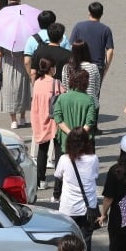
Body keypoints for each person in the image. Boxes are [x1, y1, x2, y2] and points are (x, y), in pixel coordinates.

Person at [53, 127, 99, 251]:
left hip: (68, 207)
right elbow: (95, 176)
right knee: (86, 239)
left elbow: (58, 177)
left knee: (68, 240)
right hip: (88, 207)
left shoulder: (64, 159)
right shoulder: (93, 159)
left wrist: (56, 194)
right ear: (86, 142)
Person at [52, 70, 95, 204]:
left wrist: (70, 132)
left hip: (64, 140)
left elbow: (58, 118)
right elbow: (90, 121)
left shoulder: (62, 98)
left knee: (61, 168)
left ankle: (56, 194)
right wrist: (79, 134)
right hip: (84, 142)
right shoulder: (89, 100)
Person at [70, 1, 114, 133]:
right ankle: (92, 126)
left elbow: (71, 44)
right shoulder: (105, 29)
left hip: (79, 64)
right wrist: (106, 66)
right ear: (101, 14)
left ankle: (77, 122)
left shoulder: (78, 26)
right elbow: (110, 50)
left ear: (89, 12)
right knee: (94, 95)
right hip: (97, 65)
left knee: (78, 91)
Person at [0, 0, 31, 129]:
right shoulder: (26, 13)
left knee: (9, 89)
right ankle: (23, 117)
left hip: (9, 58)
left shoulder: (3, 15)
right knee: (23, 87)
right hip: (23, 56)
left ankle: (13, 120)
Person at [31, 56, 64, 189]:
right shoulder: (56, 83)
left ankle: (41, 180)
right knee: (58, 152)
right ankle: (58, 183)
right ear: (51, 69)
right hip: (55, 120)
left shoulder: (37, 82)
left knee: (42, 151)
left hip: (41, 119)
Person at [24, 10, 70, 76]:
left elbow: (27, 61)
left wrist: (32, 77)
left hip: (40, 79)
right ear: (53, 22)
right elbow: (69, 58)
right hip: (59, 79)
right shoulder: (62, 36)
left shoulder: (32, 39)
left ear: (39, 23)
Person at [61, 40, 101, 118]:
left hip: (72, 103)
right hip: (90, 103)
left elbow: (65, 87)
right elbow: (97, 88)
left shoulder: (67, 67)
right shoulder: (93, 67)